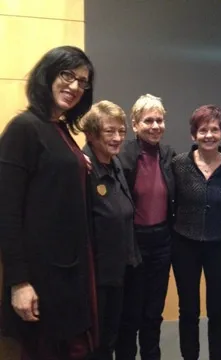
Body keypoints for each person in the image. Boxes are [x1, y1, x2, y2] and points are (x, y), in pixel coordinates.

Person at [0, 46, 96, 359]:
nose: (74, 86)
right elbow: (7, 210)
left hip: (68, 273)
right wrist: (19, 282)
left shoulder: (61, 130)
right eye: (67, 75)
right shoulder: (24, 128)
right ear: (48, 74)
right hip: (41, 279)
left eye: (82, 82)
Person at [171, 105, 221, 360]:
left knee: (218, 310)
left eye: (214, 129)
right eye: (202, 130)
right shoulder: (178, 164)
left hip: (219, 246)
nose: (208, 135)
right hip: (184, 245)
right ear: (193, 135)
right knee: (188, 310)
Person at [115, 94, 175, 360]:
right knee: (130, 315)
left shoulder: (169, 155)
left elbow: (198, 162)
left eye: (159, 120)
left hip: (162, 243)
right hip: (133, 243)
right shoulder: (122, 155)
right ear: (135, 124)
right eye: (148, 120)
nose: (155, 126)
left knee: (153, 313)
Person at [81, 101, 138, 360]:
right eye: (109, 132)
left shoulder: (114, 165)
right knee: (95, 343)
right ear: (92, 134)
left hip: (118, 270)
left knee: (111, 337)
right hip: (94, 276)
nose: (117, 138)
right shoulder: (83, 169)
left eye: (121, 131)